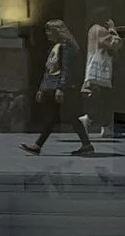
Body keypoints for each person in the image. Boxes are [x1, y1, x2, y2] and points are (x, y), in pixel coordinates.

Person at [21, 17, 94, 157]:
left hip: (60, 88)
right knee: (66, 116)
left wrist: (61, 88)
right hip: (52, 86)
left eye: (49, 31)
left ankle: (37, 145)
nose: (47, 34)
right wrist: (42, 88)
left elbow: (66, 70)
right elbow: (49, 70)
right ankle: (86, 145)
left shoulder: (65, 48)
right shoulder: (54, 48)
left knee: (55, 116)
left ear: (57, 32)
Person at [81, 8, 120, 143]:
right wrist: (113, 29)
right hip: (101, 69)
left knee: (98, 97)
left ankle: (101, 124)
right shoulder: (102, 31)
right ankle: (92, 120)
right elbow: (115, 43)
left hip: (92, 66)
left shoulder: (92, 29)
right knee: (104, 99)